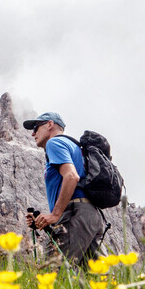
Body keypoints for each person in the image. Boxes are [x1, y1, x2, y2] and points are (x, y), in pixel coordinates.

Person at [23, 112, 105, 266]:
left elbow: (71, 176)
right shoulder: (75, 148)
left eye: (36, 127)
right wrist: (45, 220)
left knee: (51, 276)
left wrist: (55, 215)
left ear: (49, 125)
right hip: (91, 215)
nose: (33, 133)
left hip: (75, 214)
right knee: (94, 279)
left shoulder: (54, 143)